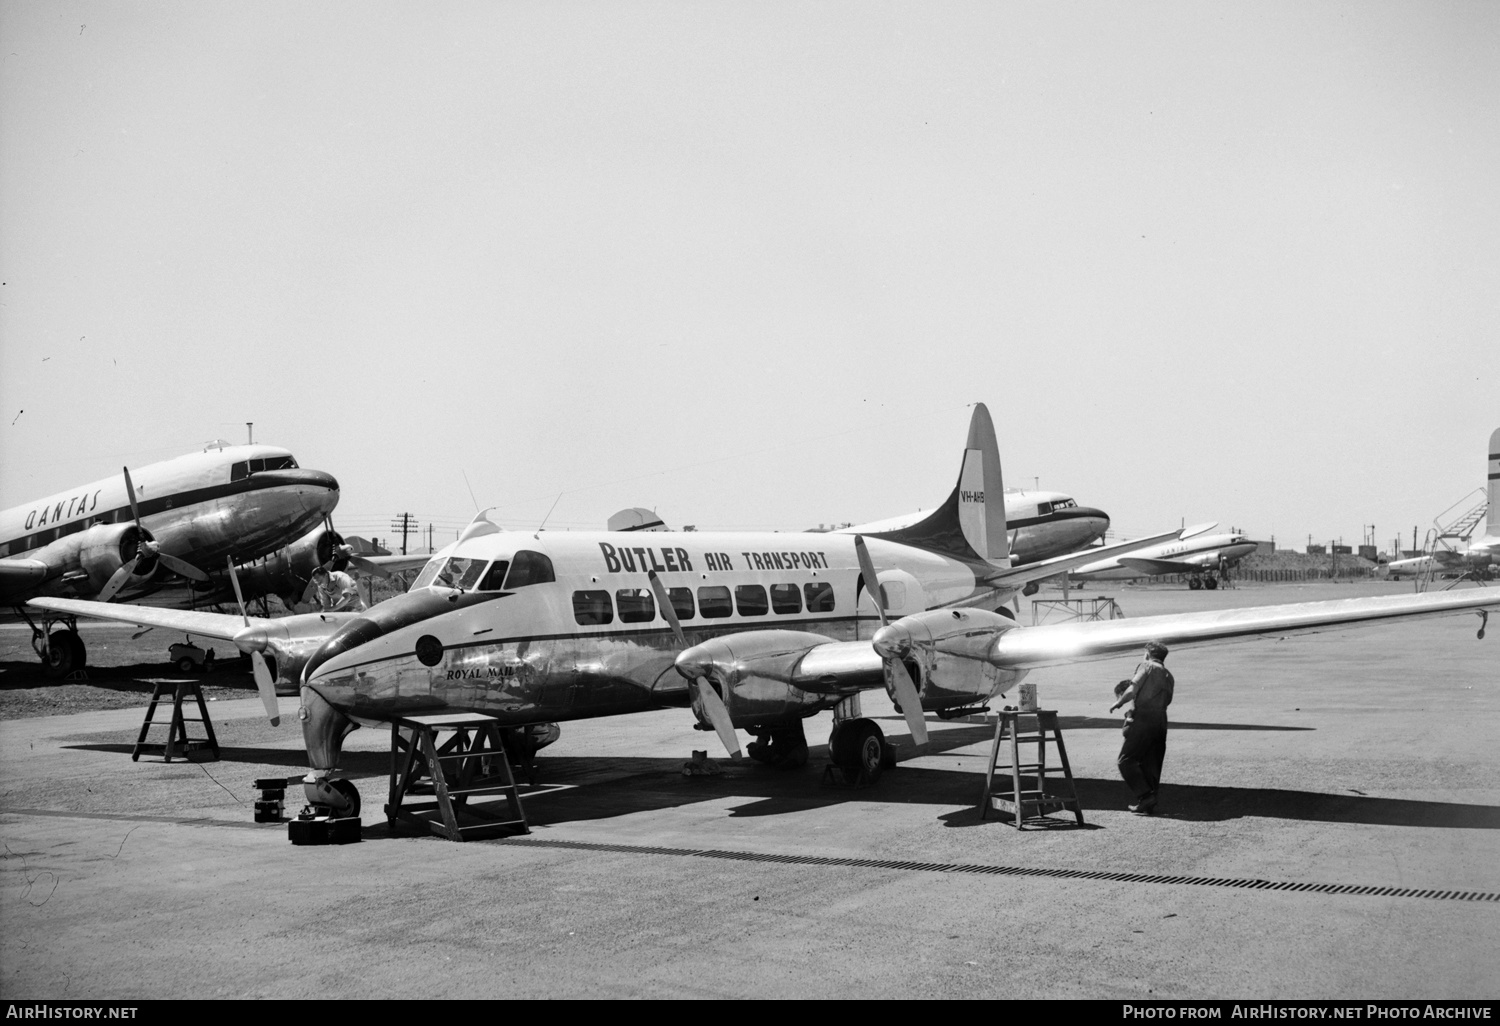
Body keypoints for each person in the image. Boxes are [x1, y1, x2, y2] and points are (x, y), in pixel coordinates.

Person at [1108, 640, 1174, 814]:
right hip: (1160, 719)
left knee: (1126, 760)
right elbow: (1168, 700)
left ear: (1148, 653)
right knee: (1151, 761)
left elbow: (1132, 689)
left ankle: (1145, 796)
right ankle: (1149, 802)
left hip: (1144, 717)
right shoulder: (1168, 675)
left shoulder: (1147, 666)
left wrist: (1119, 703)